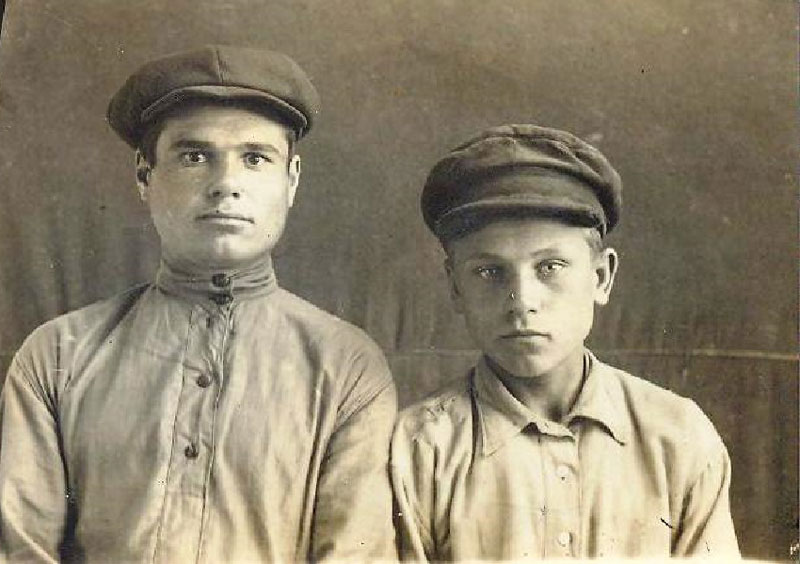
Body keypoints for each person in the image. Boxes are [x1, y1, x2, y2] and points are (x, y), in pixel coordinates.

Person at [0, 45, 397, 562]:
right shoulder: (57, 355)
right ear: (144, 175)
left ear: (292, 180)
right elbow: (19, 550)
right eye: (194, 157)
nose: (225, 185)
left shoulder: (346, 366)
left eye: (255, 158)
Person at [390, 124, 740, 560]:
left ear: (601, 277)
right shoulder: (420, 449)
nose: (522, 302)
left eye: (550, 267)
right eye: (489, 272)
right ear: (455, 288)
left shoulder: (677, 436)